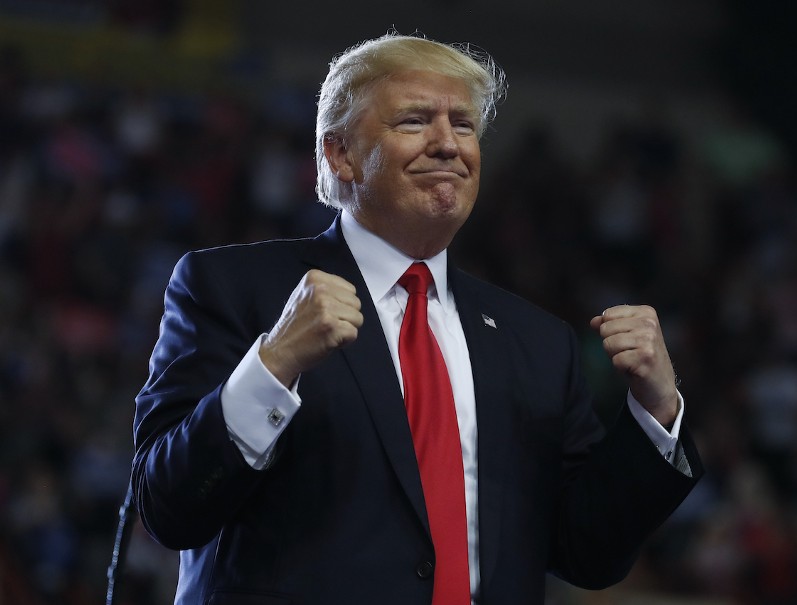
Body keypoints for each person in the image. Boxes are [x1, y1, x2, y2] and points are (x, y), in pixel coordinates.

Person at [132, 33, 703, 605]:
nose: (448, 144)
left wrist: (658, 411)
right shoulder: (234, 288)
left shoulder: (538, 342)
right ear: (340, 154)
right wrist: (274, 363)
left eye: (463, 125)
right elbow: (170, 508)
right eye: (414, 121)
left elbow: (588, 553)